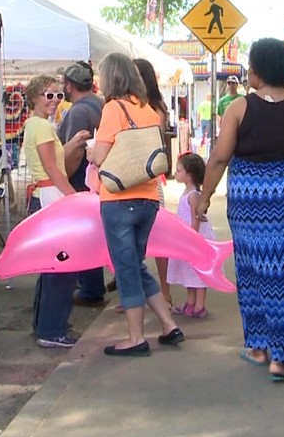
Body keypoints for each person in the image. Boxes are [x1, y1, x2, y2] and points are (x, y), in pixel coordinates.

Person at [197, 38, 284, 381]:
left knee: (254, 270)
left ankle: (259, 346)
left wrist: (204, 196)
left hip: (249, 204)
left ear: (256, 71)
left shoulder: (239, 108)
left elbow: (220, 157)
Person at [87, 53, 183, 357]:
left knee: (126, 269)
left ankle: (135, 337)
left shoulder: (113, 109)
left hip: (118, 199)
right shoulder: (147, 110)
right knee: (135, 265)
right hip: (148, 197)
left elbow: (101, 156)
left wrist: (90, 151)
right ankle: (168, 324)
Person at [24, 74, 90, 348]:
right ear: (35, 98)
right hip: (52, 196)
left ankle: (45, 325)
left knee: (52, 266)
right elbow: (52, 167)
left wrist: (72, 143)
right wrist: (73, 197)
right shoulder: (41, 126)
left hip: (46, 195)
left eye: (57, 95)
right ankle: (52, 330)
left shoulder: (37, 125)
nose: (54, 100)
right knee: (62, 266)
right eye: (48, 95)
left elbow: (53, 160)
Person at [57, 61, 109, 309]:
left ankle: (90, 289)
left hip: (80, 180)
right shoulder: (100, 104)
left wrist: (62, 179)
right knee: (92, 234)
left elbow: (76, 150)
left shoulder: (78, 111)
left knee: (82, 235)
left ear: (69, 85)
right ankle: (91, 286)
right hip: (97, 180)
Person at [133, 57, 173, 309]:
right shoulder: (132, 105)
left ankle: (165, 293)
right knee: (134, 240)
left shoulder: (154, 108)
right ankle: (136, 292)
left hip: (148, 179)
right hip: (135, 179)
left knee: (158, 239)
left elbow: (152, 144)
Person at [167, 153, 212, 318]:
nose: (176, 173)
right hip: (189, 238)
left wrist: (190, 239)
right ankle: (191, 302)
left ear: (189, 175)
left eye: (179, 170)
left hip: (195, 238)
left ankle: (199, 305)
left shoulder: (193, 195)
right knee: (188, 271)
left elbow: (196, 221)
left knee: (198, 272)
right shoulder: (188, 192)